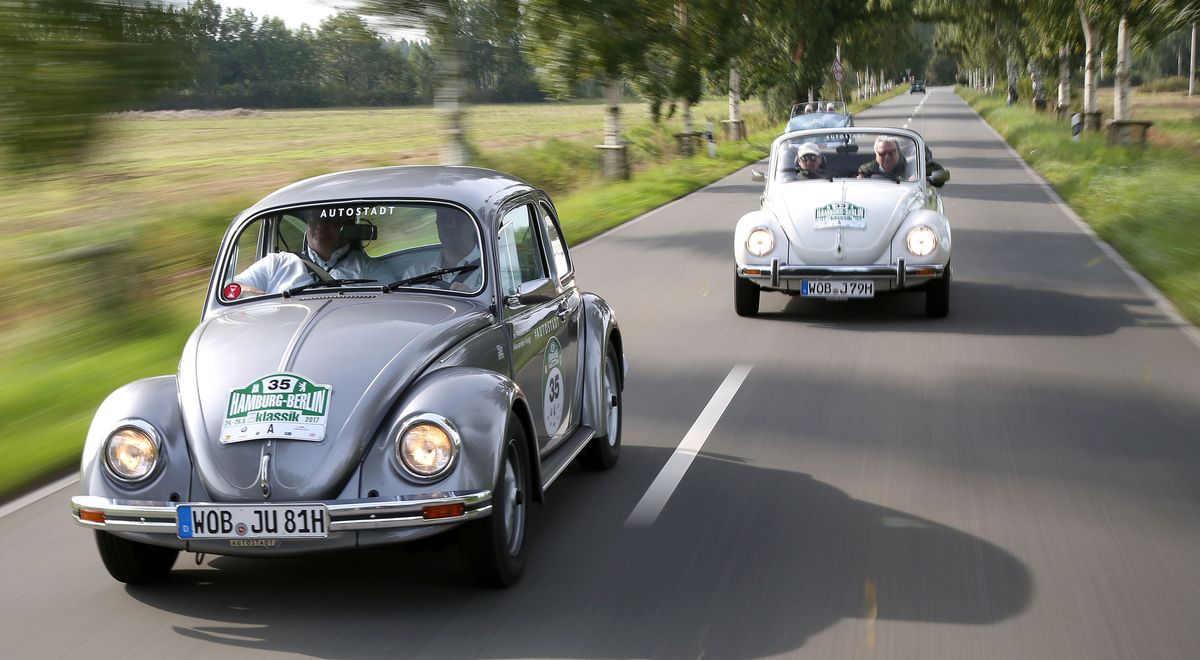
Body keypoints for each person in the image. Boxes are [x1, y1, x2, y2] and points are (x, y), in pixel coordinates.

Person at [230, 208, 391, 297]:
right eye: (315, 219)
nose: (320, 226)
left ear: (347, 229)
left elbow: (389, 308)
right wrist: (265, 301)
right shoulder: (276, 263)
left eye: (330, 221)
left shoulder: (372, 271)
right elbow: (230, 288)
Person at [399, 206, 482, 292]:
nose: (451, 225)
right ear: (437, 223)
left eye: (459, 218)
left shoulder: (492, 271)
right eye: (444, 218)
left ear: (474, 224)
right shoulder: (414, 273)